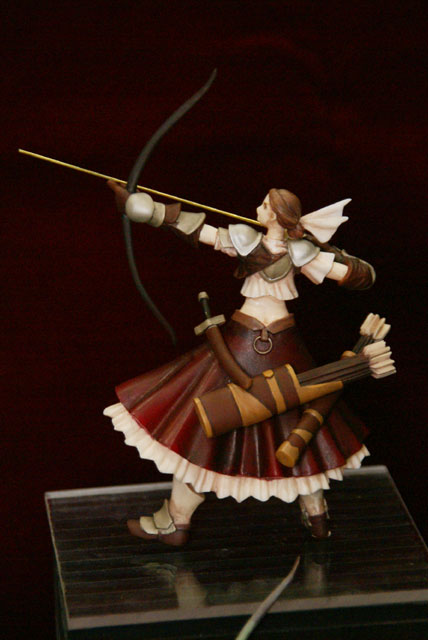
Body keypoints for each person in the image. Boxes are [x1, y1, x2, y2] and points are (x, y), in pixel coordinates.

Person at [104, 183, 375, 542]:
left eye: (265, 205)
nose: (258, 209)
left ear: (277, 215)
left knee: (287, 429)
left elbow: (360, 277)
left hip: (262, 344)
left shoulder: (300, 251)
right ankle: (313, 516)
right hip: (253, 341)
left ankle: (310, 515)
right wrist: (150, 210)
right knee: (211, 426)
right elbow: (202, 231)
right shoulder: (255, 241)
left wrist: (337, 258)